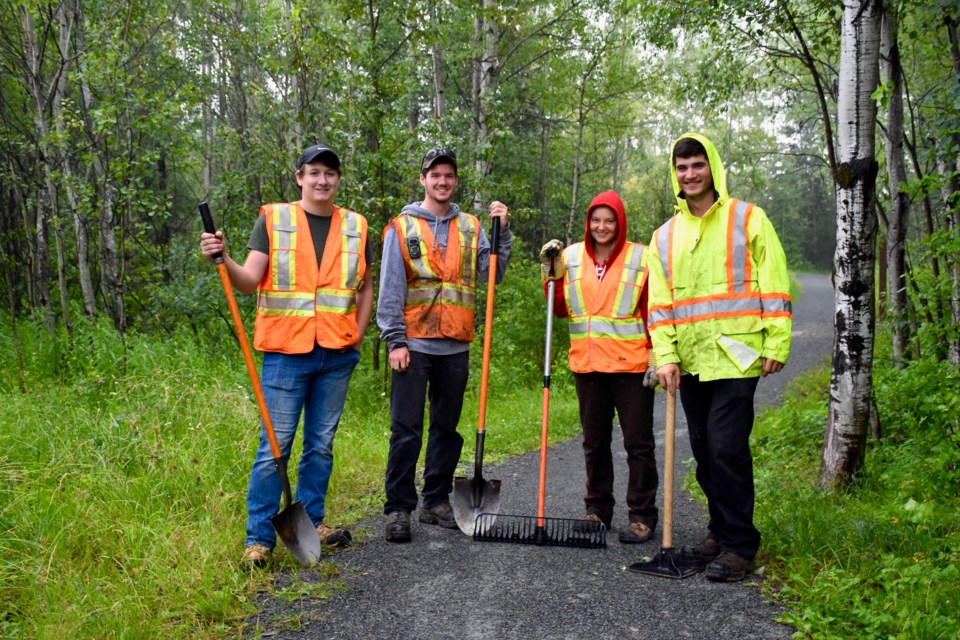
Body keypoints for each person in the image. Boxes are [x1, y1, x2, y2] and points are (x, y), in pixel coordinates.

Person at [200, 144, 373, 567]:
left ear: (338, 179)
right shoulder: (274, 219)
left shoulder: (355, 225)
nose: (322, 180)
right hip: (285, 354)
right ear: (299, 177)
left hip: (336, 353)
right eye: (313, 172)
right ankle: (258, 540)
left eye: (330, 173)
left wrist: (358, 333)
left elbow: (365, 287)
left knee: (321, 445)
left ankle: (314, 521)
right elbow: (248, 281)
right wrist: (222, 257)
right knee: (273, 448)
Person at [646, 133, 792, 582]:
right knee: (704, 449)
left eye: (697, 165)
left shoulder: (748, 218)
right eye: (682, 167)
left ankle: (739, 546)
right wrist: (665, 357)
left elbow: (774, 280)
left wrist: (776, 342)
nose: (690, 174)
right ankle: (718, 530)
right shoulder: (665, 235)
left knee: (727, 447)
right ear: (675, 174)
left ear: (713, 168)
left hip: (738, 355)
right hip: (690, 362)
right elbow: (660, 303)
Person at [377, 147, 512, 543]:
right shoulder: (401, 228)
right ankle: (398, 507)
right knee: (406, 430)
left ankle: (435, 500)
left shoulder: (471, 226)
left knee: (446, 429)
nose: (442, 181)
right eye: (435, 175)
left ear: (455, 181)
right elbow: (391, 288)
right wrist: (394, 341)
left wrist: (503, 233)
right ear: (423, 179)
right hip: (413, 346)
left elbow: (492, 276)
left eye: (448, 176)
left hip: (455, 345)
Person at [539, 191, 659, 544]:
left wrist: (656, 353)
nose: (602, 227)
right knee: (594, 442)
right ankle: (597, 509)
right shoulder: (571, 256)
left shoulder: (641, 257)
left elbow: (653, 308)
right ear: (588, 222)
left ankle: (641, 515)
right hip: (588, 365)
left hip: (632, 366)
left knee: (638, 444)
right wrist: (550, 272)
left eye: (609, 221)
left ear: (619, 223)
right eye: (596, 220)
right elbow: (559, 308)